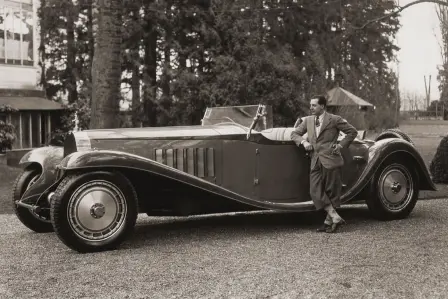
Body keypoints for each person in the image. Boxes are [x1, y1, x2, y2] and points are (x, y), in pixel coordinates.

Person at [291, 95, 357, 233]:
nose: (311, 108)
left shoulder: (334, 119)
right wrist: (304, 142)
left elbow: (352, 132)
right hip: (315, 159)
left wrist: (340, 146)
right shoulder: (308, 121)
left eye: (314, 105)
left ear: (322, 106)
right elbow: (295, 134)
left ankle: (328, 223)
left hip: (331, 159)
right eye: (310, 105)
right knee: (314, 191)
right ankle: (334, 216)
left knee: (332, 192)